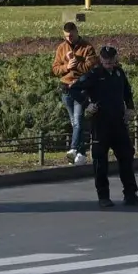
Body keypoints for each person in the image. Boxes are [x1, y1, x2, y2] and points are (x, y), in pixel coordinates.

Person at [68, 45, 138, 208]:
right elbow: (73, 90)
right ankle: (103, 196)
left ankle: (130, 193)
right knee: (100, 160)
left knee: (126, 156)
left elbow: (127, 92)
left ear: (116, 59)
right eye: (105, 61)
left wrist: (129, 108)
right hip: (100, 123)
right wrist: (87, 104)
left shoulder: (118, 73)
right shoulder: (94, 74)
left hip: (118, 121)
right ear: (101, 60)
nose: (109, 64)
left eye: (111, 61)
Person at [51, 22, 98, 166]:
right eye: (66, 37)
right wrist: (66, 67)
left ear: (77, 32)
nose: (69, 39)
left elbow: (90, 68)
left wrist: (76, 63)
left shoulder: (87, 48)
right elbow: (55, 69)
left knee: (78, 120)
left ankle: (73, 149)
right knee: (75, 123)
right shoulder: (61, 47)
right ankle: (81, 154)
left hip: (80, 89)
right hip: (66, 89)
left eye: (71, 36)